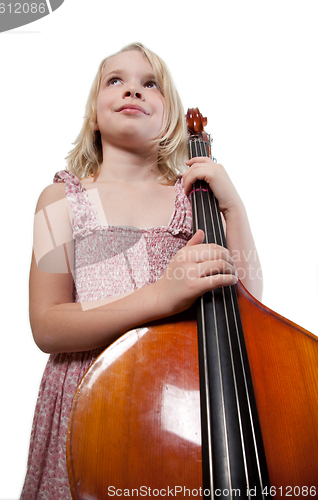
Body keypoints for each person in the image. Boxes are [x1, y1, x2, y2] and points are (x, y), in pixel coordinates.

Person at [20, 42, 262, 499]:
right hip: (90, 399)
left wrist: (233, 206)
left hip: (177, 401)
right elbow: (47, 324)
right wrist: (157, 297)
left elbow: (246, 301)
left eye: (150, 84)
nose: (134, 89)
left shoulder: (193, 200)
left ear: (169, 117)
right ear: (94, 113)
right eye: (116, 80)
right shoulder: (56, 202)